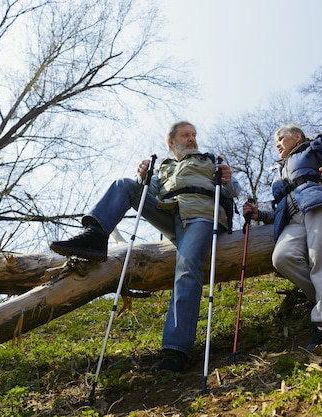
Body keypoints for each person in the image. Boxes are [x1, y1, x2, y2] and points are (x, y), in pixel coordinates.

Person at [50, 121, 240, 372]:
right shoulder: (164, 167)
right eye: (186, 135)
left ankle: (176, 349)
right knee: (124, 184)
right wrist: (143, 177)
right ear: (171, 142)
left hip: (200, 216)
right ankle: (95, 235)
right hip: (171, 214)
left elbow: (232, 189)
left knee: (187, 266)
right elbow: (147, 194)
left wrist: (227, 179)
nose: (192, 139)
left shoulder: (210, 160)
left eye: (194, 134)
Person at [243, 124, 322, 352]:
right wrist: (259, 215)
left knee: (320, 257)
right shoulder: (279, 170)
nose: (277, 145)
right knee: (282, 258)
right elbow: (281, 209)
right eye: (275, 143)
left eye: (281, 139)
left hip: (321, 204)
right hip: (293, 219)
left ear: (297, 136)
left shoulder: (314, 149)